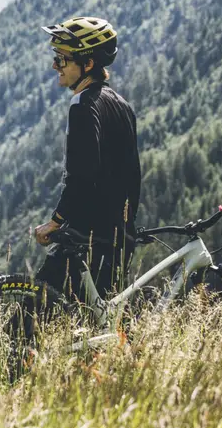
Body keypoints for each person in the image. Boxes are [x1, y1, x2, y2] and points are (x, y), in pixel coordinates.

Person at [33, 15, 141, 302]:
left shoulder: (83, 105)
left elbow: (82, 174)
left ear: (88, 64)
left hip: (86, 238)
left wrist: (55, 222)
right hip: (119, 237)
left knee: (28, 319)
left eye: (62, 60)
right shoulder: (121, 105)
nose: (55, 66)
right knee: (93, 329)